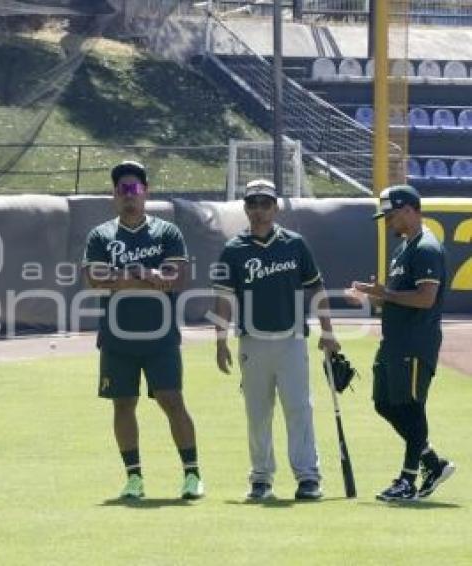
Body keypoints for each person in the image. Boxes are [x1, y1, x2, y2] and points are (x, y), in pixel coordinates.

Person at [212, 179, 340, 501]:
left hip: (291, 339)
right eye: (253, 204)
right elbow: (223, 298)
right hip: (252, 341)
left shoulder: (295, 244)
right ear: (245, 208)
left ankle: (308, 477)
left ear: (276, 207)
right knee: (258, 413)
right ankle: (261, 478)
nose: (259, 210)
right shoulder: (233, 249)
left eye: (265, 204)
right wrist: (220, 340)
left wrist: (328, 331)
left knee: (299, 408)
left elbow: (316, 287)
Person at [82, 160, 203, 500]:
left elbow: (176, 279)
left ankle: (192, 474)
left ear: (146, 192)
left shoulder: (166, 232)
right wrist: (148, 277)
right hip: (117, 336)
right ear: (113, 194)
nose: (128, 195)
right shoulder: (101, 235)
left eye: (134, 188)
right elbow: (94, 279)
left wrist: (129, 279)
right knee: (123, 404)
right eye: (122, 189)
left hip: (159, 335)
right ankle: (134, 478)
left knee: (172, 401)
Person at [347, 184, 455, 501]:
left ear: (409, 210)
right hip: (395, 341)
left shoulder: (426, 248)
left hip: (415, 342)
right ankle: (432, 463)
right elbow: (395, 298)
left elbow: (425, 298)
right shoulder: (403, 248)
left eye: (392, 215)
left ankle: (408, 480)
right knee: (384, 403)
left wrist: (386, 294)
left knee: (411, 406)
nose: (388, 222)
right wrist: (371, 296)